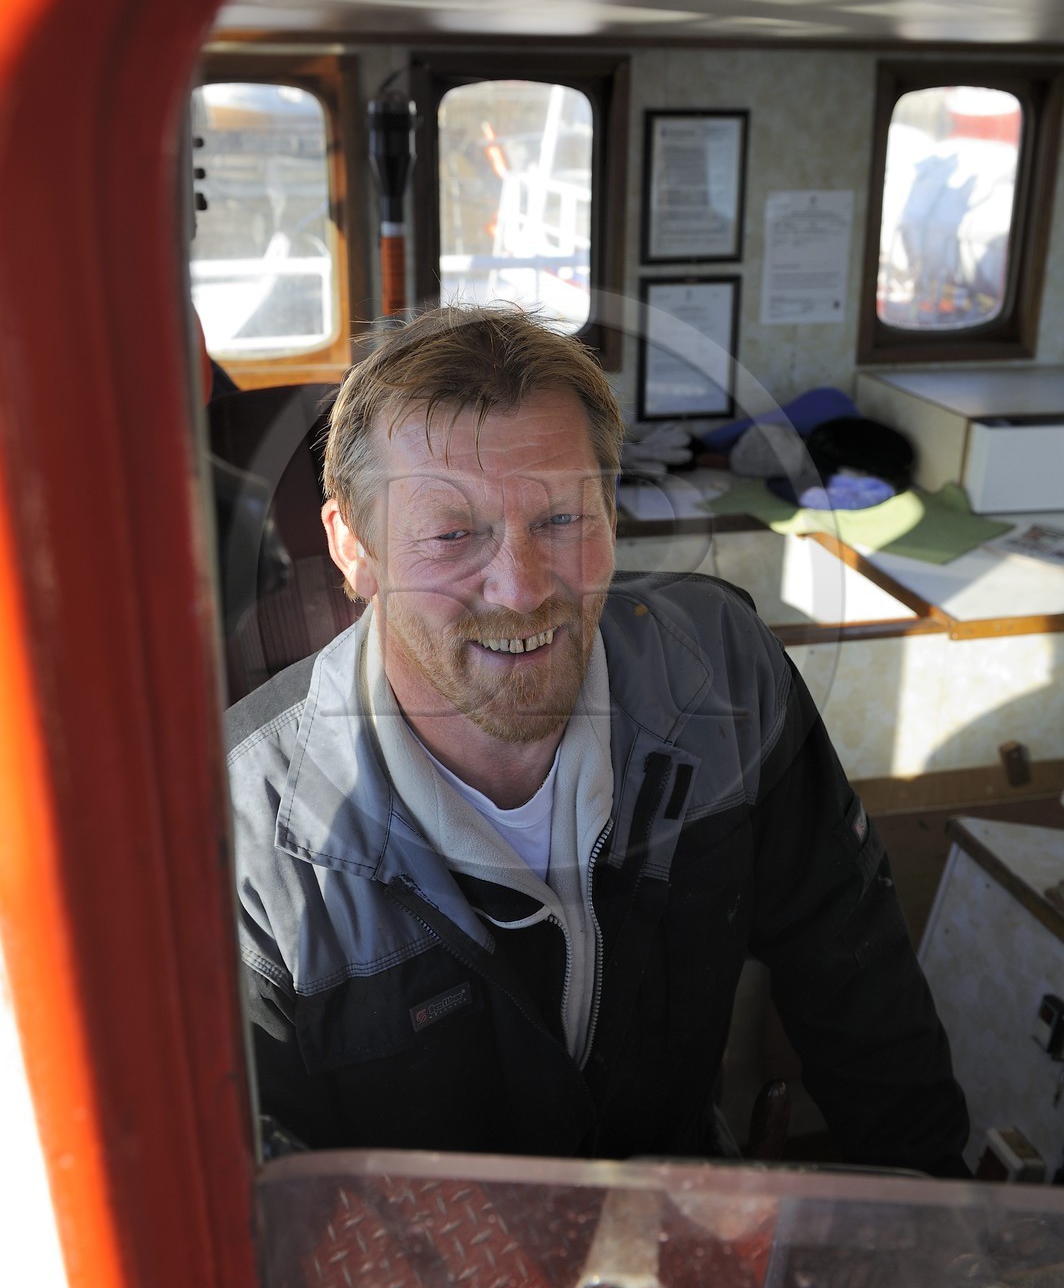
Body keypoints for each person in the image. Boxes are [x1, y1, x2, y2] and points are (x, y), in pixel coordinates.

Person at [227, 305, 969, 1175]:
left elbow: (858, 986)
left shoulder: (724, 678)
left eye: (561, 520)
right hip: (427, 1283)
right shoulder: (242, 840)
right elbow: (260, 1191)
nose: (520, 589)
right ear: (353, 548)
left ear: (612, 517)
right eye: (453, 534)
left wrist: (946, 1223)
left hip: (679, 1221)